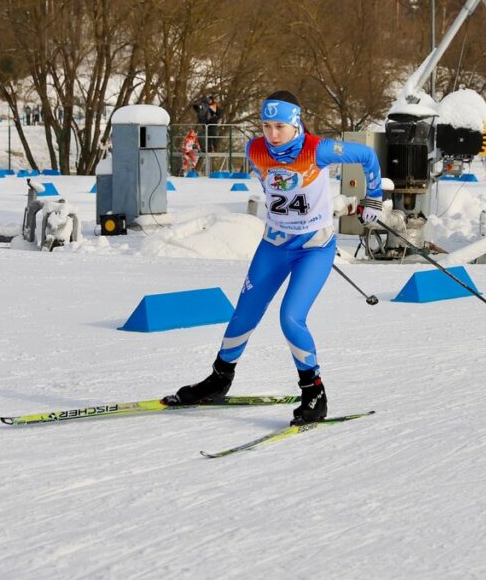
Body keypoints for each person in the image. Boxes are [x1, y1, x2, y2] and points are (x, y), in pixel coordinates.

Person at [163, 90, 384, 425]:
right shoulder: (255, 150)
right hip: (275, 245)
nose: (272, 134)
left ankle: (314, 393)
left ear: (295, 123)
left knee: (291, 318)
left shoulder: (317, 149)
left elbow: (367, 156)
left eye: (279, 125)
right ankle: (219, 379)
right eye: (266, 125)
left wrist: (374, 199)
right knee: (243, 315)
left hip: (313, 249)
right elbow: (272, 188)